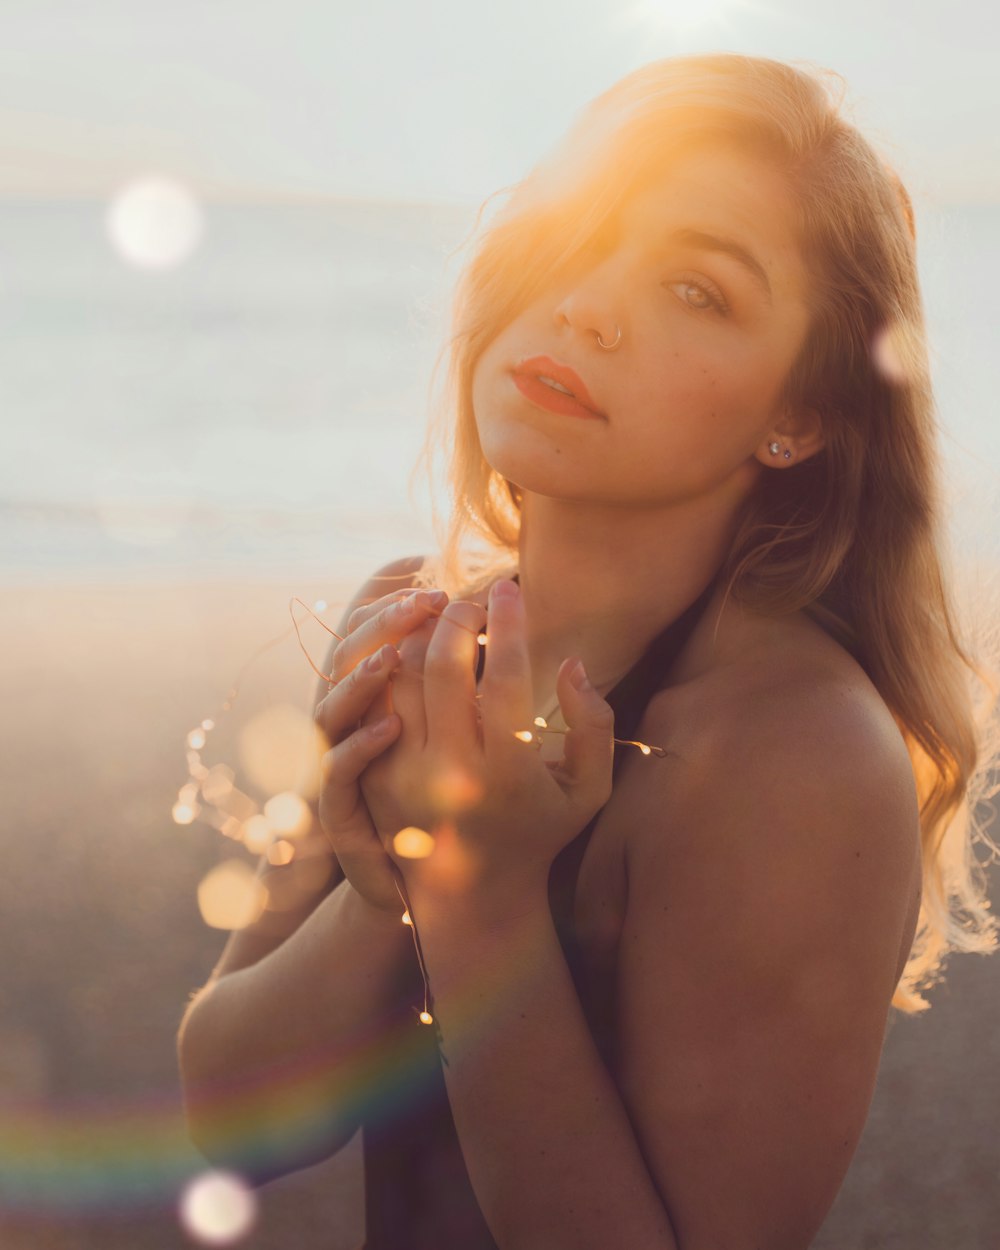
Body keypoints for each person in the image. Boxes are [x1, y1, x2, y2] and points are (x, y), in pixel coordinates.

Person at [177, 54, 997, 1249]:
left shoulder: (796, 754)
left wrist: (477, 892)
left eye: (697, 291)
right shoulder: (417, 623)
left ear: (799, 417)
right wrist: (388, 881)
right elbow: (233, 1114)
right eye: (580, 232)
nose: (589, 304)